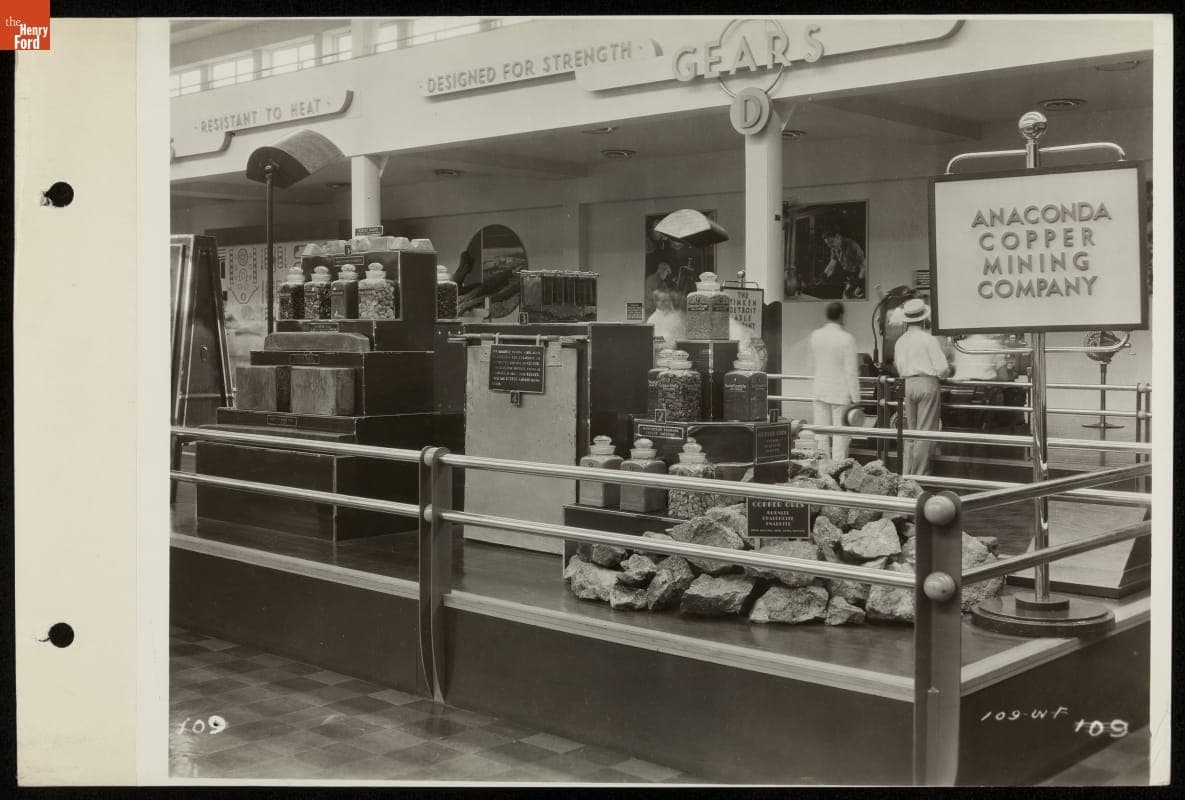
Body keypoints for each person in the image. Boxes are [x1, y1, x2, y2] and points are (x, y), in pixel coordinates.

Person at [893, 298, 950, 475]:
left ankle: (906, 474)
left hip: (907, 384)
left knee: (910, 432)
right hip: (927, 384)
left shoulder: (900, 341)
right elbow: (942, 369)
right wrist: (945, 374)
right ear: (924, 319)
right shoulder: (928, 339)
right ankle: (920, 478)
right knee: (924, 434)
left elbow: (899, 367)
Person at [808, 302, 861, 460]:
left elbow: (812, 363)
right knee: (841, 434)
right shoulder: (847, 338)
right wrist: (856, 398)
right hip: (840, 391)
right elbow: (851, 370)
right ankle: (838, 469)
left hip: (820, 389)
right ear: (841, 316)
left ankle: (822, 469)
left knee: (821, 433)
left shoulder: (816, 335)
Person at [821, 229, 867, 299]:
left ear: (838, 237)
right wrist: (824, 274)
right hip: (850, 275)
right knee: (845, 297)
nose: (829, 246)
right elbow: (832, 262)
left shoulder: (852, 246)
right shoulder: (834, 248)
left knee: (854, 297)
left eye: (831, 242)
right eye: (827, 244)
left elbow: (864, 264)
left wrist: (860, 280)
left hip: (862, 274)